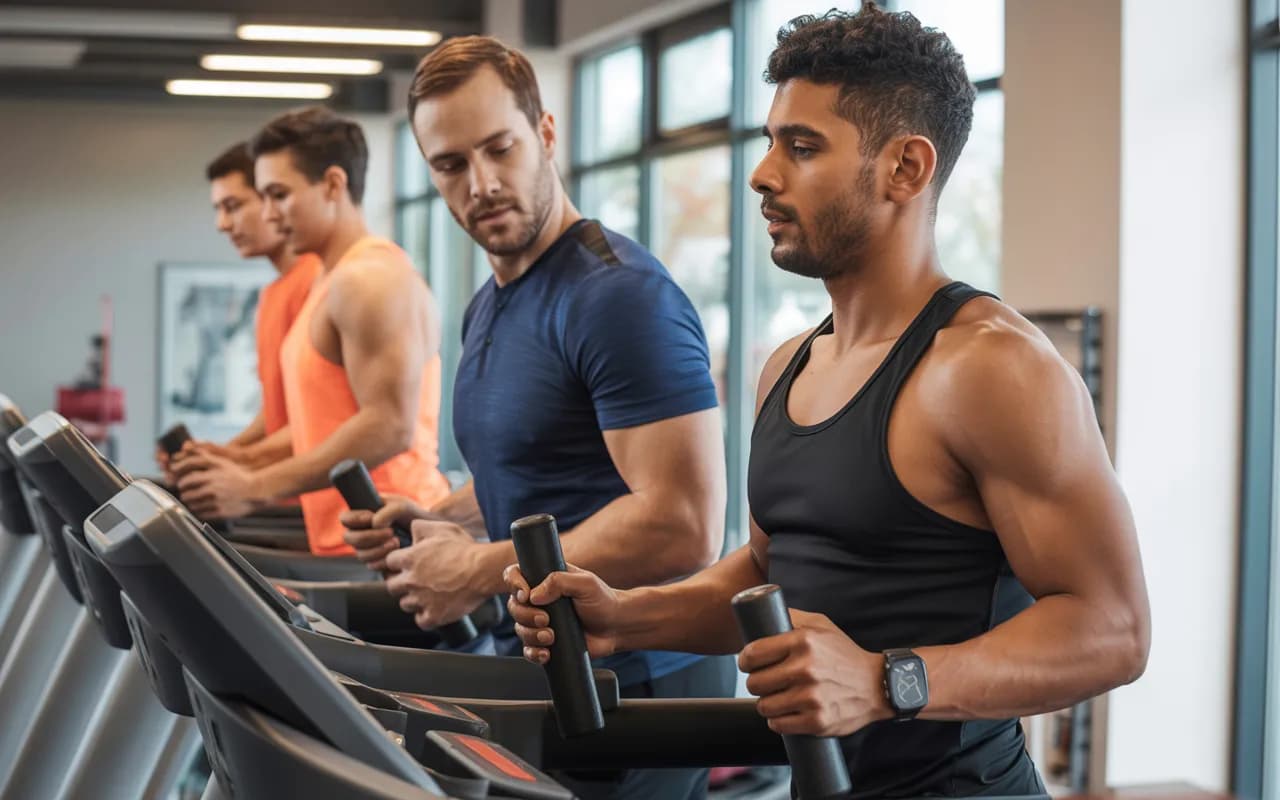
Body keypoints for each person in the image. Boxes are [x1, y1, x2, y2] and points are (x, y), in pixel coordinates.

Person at [506, 7, 1151, 798]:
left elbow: (1112, 630)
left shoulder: (993, 368)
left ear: (906, 169)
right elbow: (778, 569)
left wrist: (886, 682)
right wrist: (629, 615)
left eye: (802, 147)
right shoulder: (789, 366)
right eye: (771, 140)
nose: (763, 173)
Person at [340, 36, 734, 799]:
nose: (480, 184)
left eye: (500, 149)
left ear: (546, 134)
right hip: (544, 666)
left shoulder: (620, 299)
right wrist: (441, 519)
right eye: (450, 165)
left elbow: (685, 521)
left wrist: (478, 570)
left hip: (640, 684)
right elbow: (534, 473)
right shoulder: (489, 305)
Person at [175, 108, 450, 555]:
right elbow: (317, 421)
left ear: (333, 185)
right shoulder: (331, 279)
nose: (269, 213)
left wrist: (255, 485)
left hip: (399, 541)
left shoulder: (369, 278)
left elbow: (389, 426)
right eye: (263, 197)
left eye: (279, 195)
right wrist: (239, 459)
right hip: (352, 540)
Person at [157, 142, 320, 480]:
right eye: (219, 209)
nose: (222, 224)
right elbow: (280, 412)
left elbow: (325, 422)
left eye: (233, 206)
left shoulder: (319, 282)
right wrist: (222, 454)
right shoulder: (274, 293)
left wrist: (240, 464)